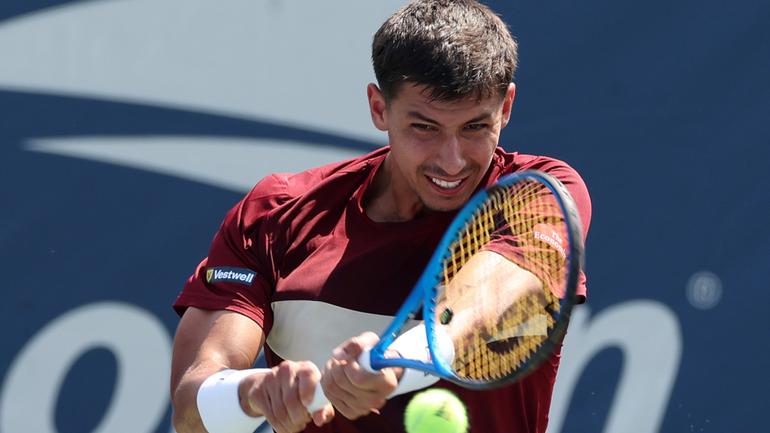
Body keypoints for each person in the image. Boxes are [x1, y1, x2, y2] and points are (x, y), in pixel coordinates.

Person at [170, 1, 592, 432]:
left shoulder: (538, 192)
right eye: (424, 128)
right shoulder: (277, 212)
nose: (452, 161)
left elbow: (484, 306)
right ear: (378, 108)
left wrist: (397, 362)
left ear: (506, 108)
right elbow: (190, 412)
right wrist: (256, 394)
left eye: (474, 128)